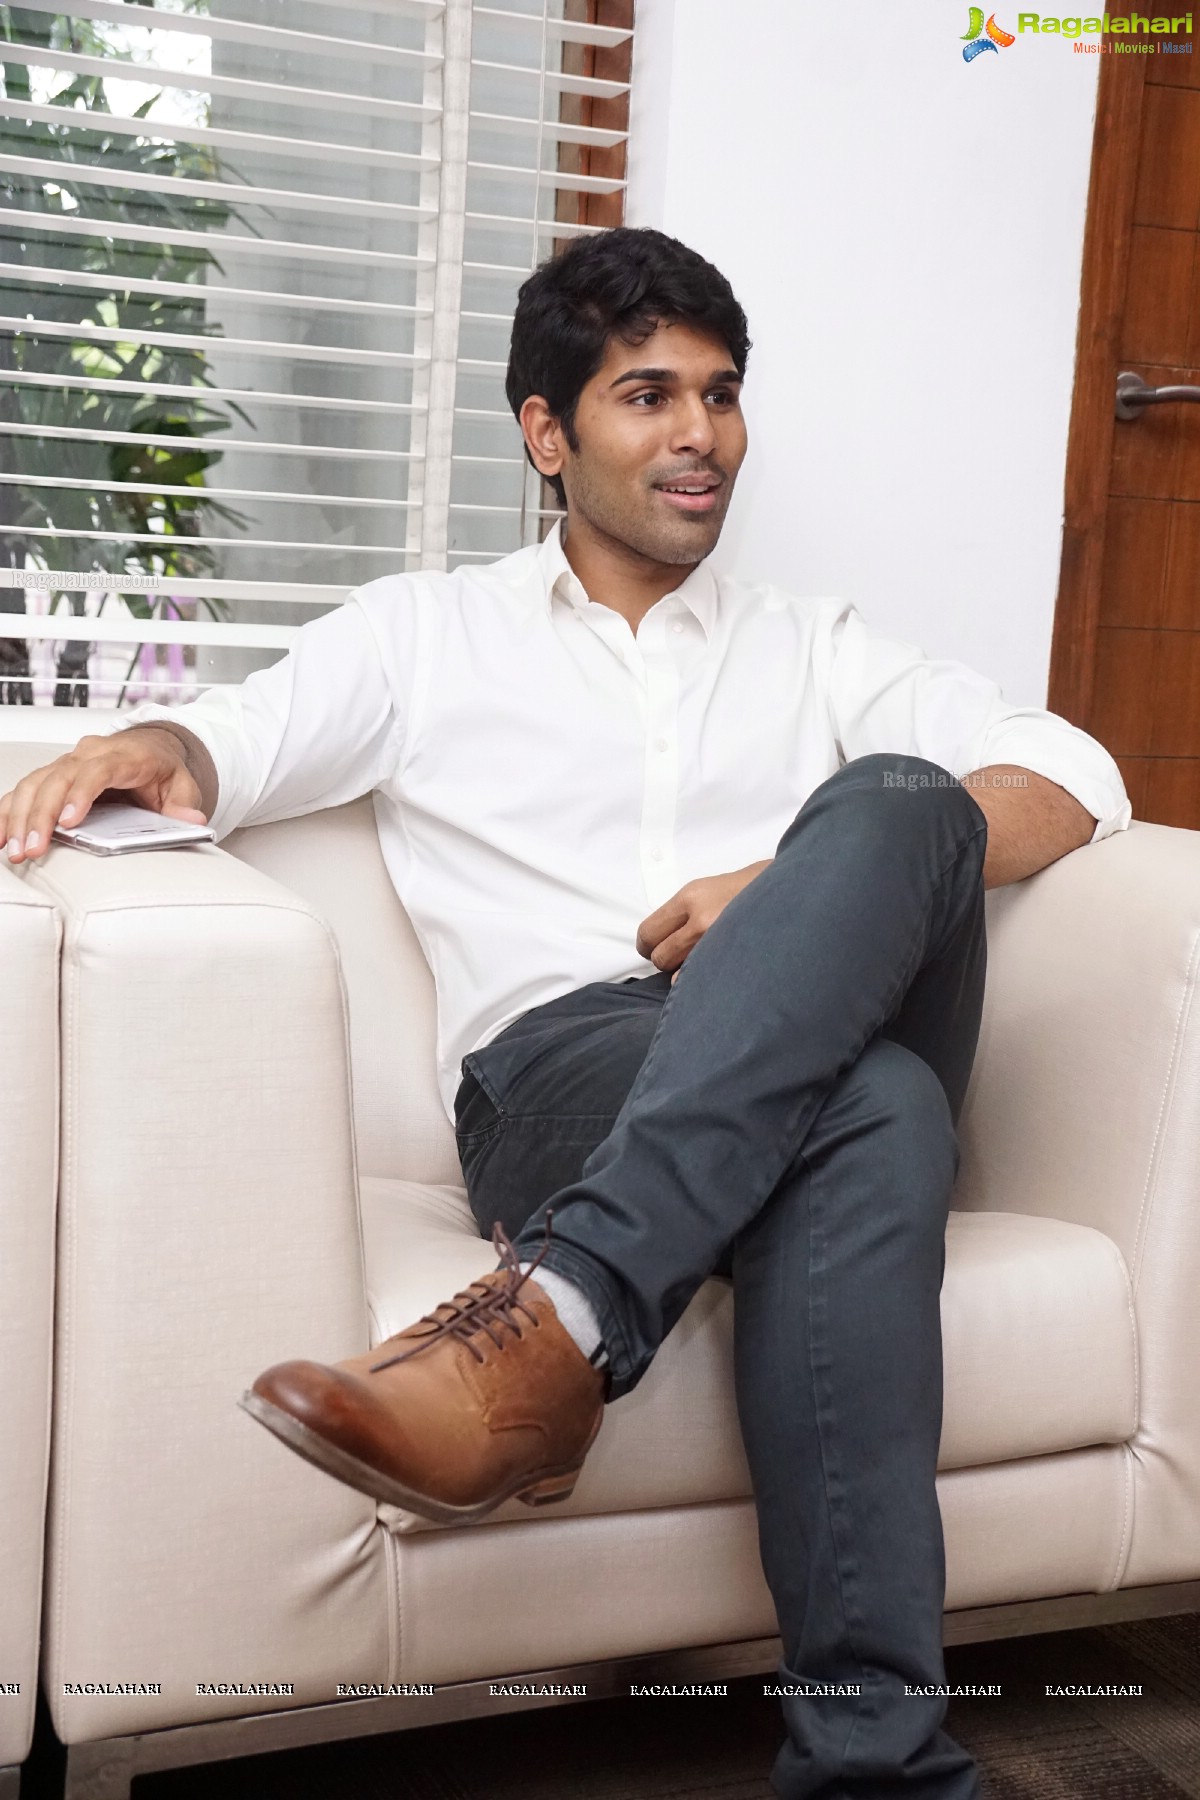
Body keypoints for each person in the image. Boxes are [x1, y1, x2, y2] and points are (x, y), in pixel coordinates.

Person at [1, 228, 1130, 1799]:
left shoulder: (819, 646)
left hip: (776, 1027)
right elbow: (226, 748)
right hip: (564, 1072)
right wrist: (142, 742)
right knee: (879, 1114)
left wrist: (792, 887)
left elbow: (1072, 770)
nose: (700, 436)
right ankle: (880, 1773)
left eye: (723, 397)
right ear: (549, 432)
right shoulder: (423, 635)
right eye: (649, 394)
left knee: (895, 796)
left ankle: (559, 1326)